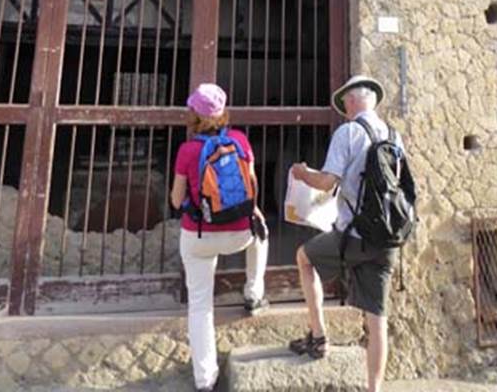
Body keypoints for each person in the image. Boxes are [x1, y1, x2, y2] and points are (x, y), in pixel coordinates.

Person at [288, 74, 400, 392]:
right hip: (387, 237)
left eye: (346, 103)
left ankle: (319, 335)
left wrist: (302, 173)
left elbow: (327, 182)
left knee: (304, 257)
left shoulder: (348, 132)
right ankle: (373, 388)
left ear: (352, 100)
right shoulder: (394, 134)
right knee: (377, 317)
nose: (345, 109)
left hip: (352, 235)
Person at [171, 83, 269, 392]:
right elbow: (251, 184)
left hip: (199, 236)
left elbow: (176, 200)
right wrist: (254, 212)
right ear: (223, 111)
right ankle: (253, 292)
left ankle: (205, 380)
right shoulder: (240, 140)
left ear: (195, 114)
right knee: (262, 235)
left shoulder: (188, 150)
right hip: (239, 232)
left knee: (200, 306)